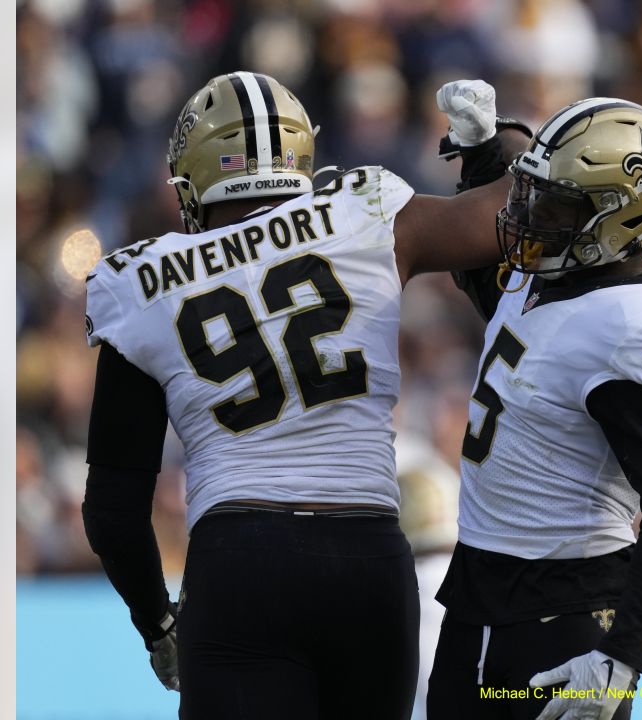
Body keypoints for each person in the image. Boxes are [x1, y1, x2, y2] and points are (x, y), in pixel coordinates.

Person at [79, 71, 526, 720]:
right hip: (369, 555)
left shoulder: (139, 282)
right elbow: (514, 213)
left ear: (195, 177)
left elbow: (114, 514)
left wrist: (158, 624)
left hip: (240, 560)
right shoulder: (363, 212)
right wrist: (498, 142)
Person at [425, 93, 642, 720]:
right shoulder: (550, 276)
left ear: (621, 218)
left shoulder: (633, 325)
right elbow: (493, 294)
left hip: (563, 618)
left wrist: (623, 656)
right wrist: (480, 159)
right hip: (475, 599)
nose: (530, 217)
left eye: (556, 205)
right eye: (531, 194)